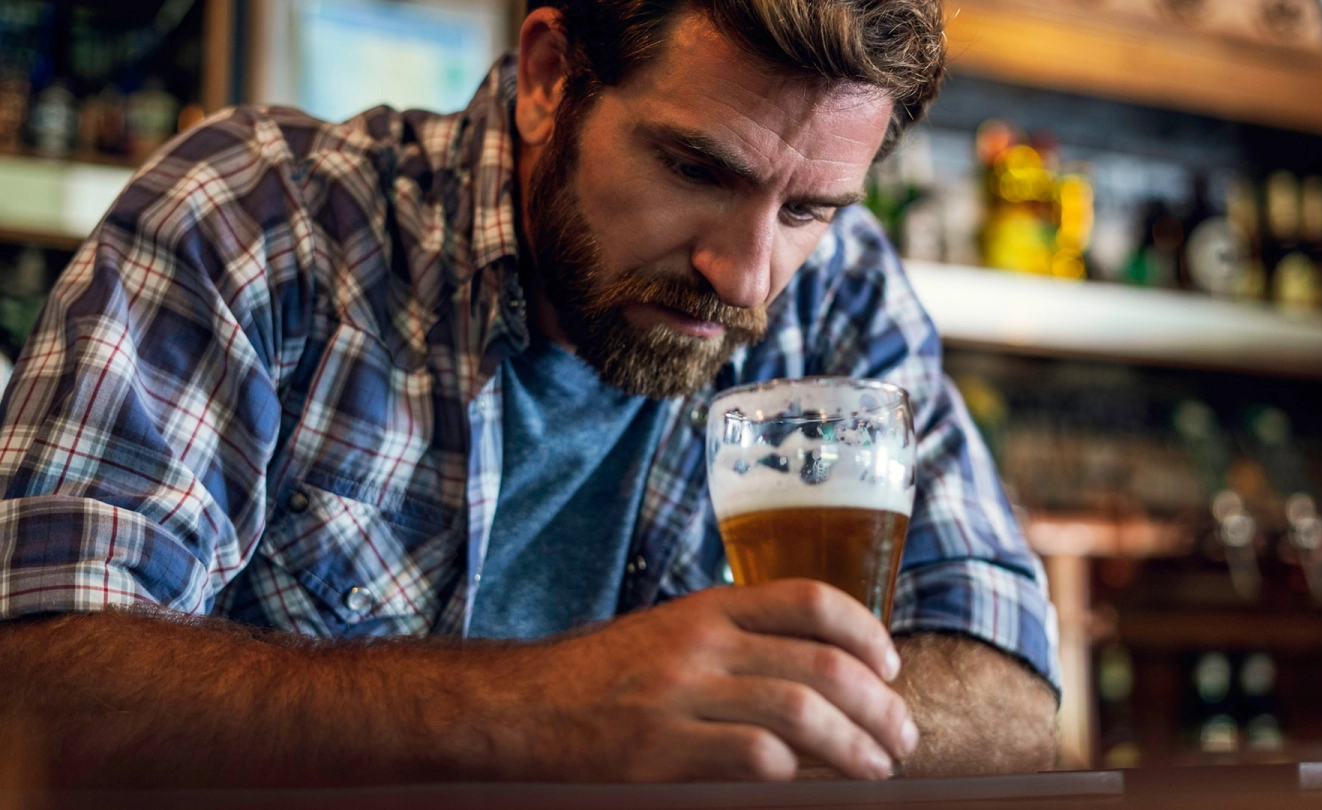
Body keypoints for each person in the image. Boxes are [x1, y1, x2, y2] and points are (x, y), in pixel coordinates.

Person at [0, 0, 1059, 788]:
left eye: (808, 207)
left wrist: (759, 727)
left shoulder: (839, 287)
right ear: (551, 76)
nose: (746, 276)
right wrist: (539, 712)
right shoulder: (260, 223)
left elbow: (1007, 696)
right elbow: (33, 697)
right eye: (698, 168)